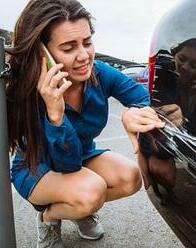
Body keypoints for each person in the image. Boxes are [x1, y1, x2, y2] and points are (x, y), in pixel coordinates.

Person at [6, 0, 164, 247]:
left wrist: (135, 112)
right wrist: (55, 115)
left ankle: (75, 208)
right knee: (90, 193)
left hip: (81, 156)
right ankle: (49, 217)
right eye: (69, 48)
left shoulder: (100, 73)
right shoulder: (23, 91)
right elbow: (65, 163)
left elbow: (147, 99)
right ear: (42, 54)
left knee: (131, 177)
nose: (84, 56)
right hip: (37, 167)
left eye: (87, 42)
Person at [138, 38, 196, 205]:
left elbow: (195, 134)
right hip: (155, 146)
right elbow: (162, 145)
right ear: (174, 55)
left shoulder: (195, 90)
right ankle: (162, 187)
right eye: (182, 58)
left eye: (193, 65)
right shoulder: (162, 80)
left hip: (174, 142)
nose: (185, 67)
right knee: (167, 174)